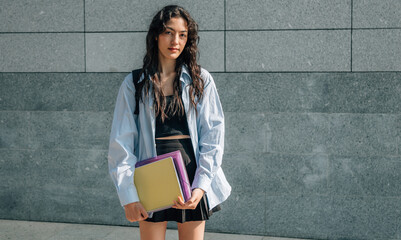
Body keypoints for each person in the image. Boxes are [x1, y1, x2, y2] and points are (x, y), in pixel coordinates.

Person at [108, 5, 231, 240]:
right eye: (168, 32)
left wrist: (202, 184)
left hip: (193, 174)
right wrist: (129, 196)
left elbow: (213, 135)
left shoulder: (200, 79)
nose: (175, 40)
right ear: (156, 35)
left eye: (182, 34)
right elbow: (121, 144)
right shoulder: (135, 84)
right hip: (152, 177)